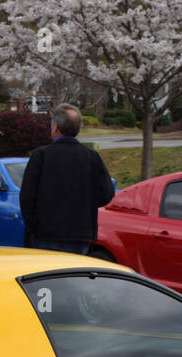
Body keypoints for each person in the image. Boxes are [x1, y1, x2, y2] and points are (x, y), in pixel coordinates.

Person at [19, 103, 115, 254]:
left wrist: (34, 227)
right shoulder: (92, 157)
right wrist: (85, 206)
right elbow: (106, 194)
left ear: (55, 127)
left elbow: (27, 197)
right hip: (81, 235)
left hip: (45, 235)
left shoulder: (41, 156)